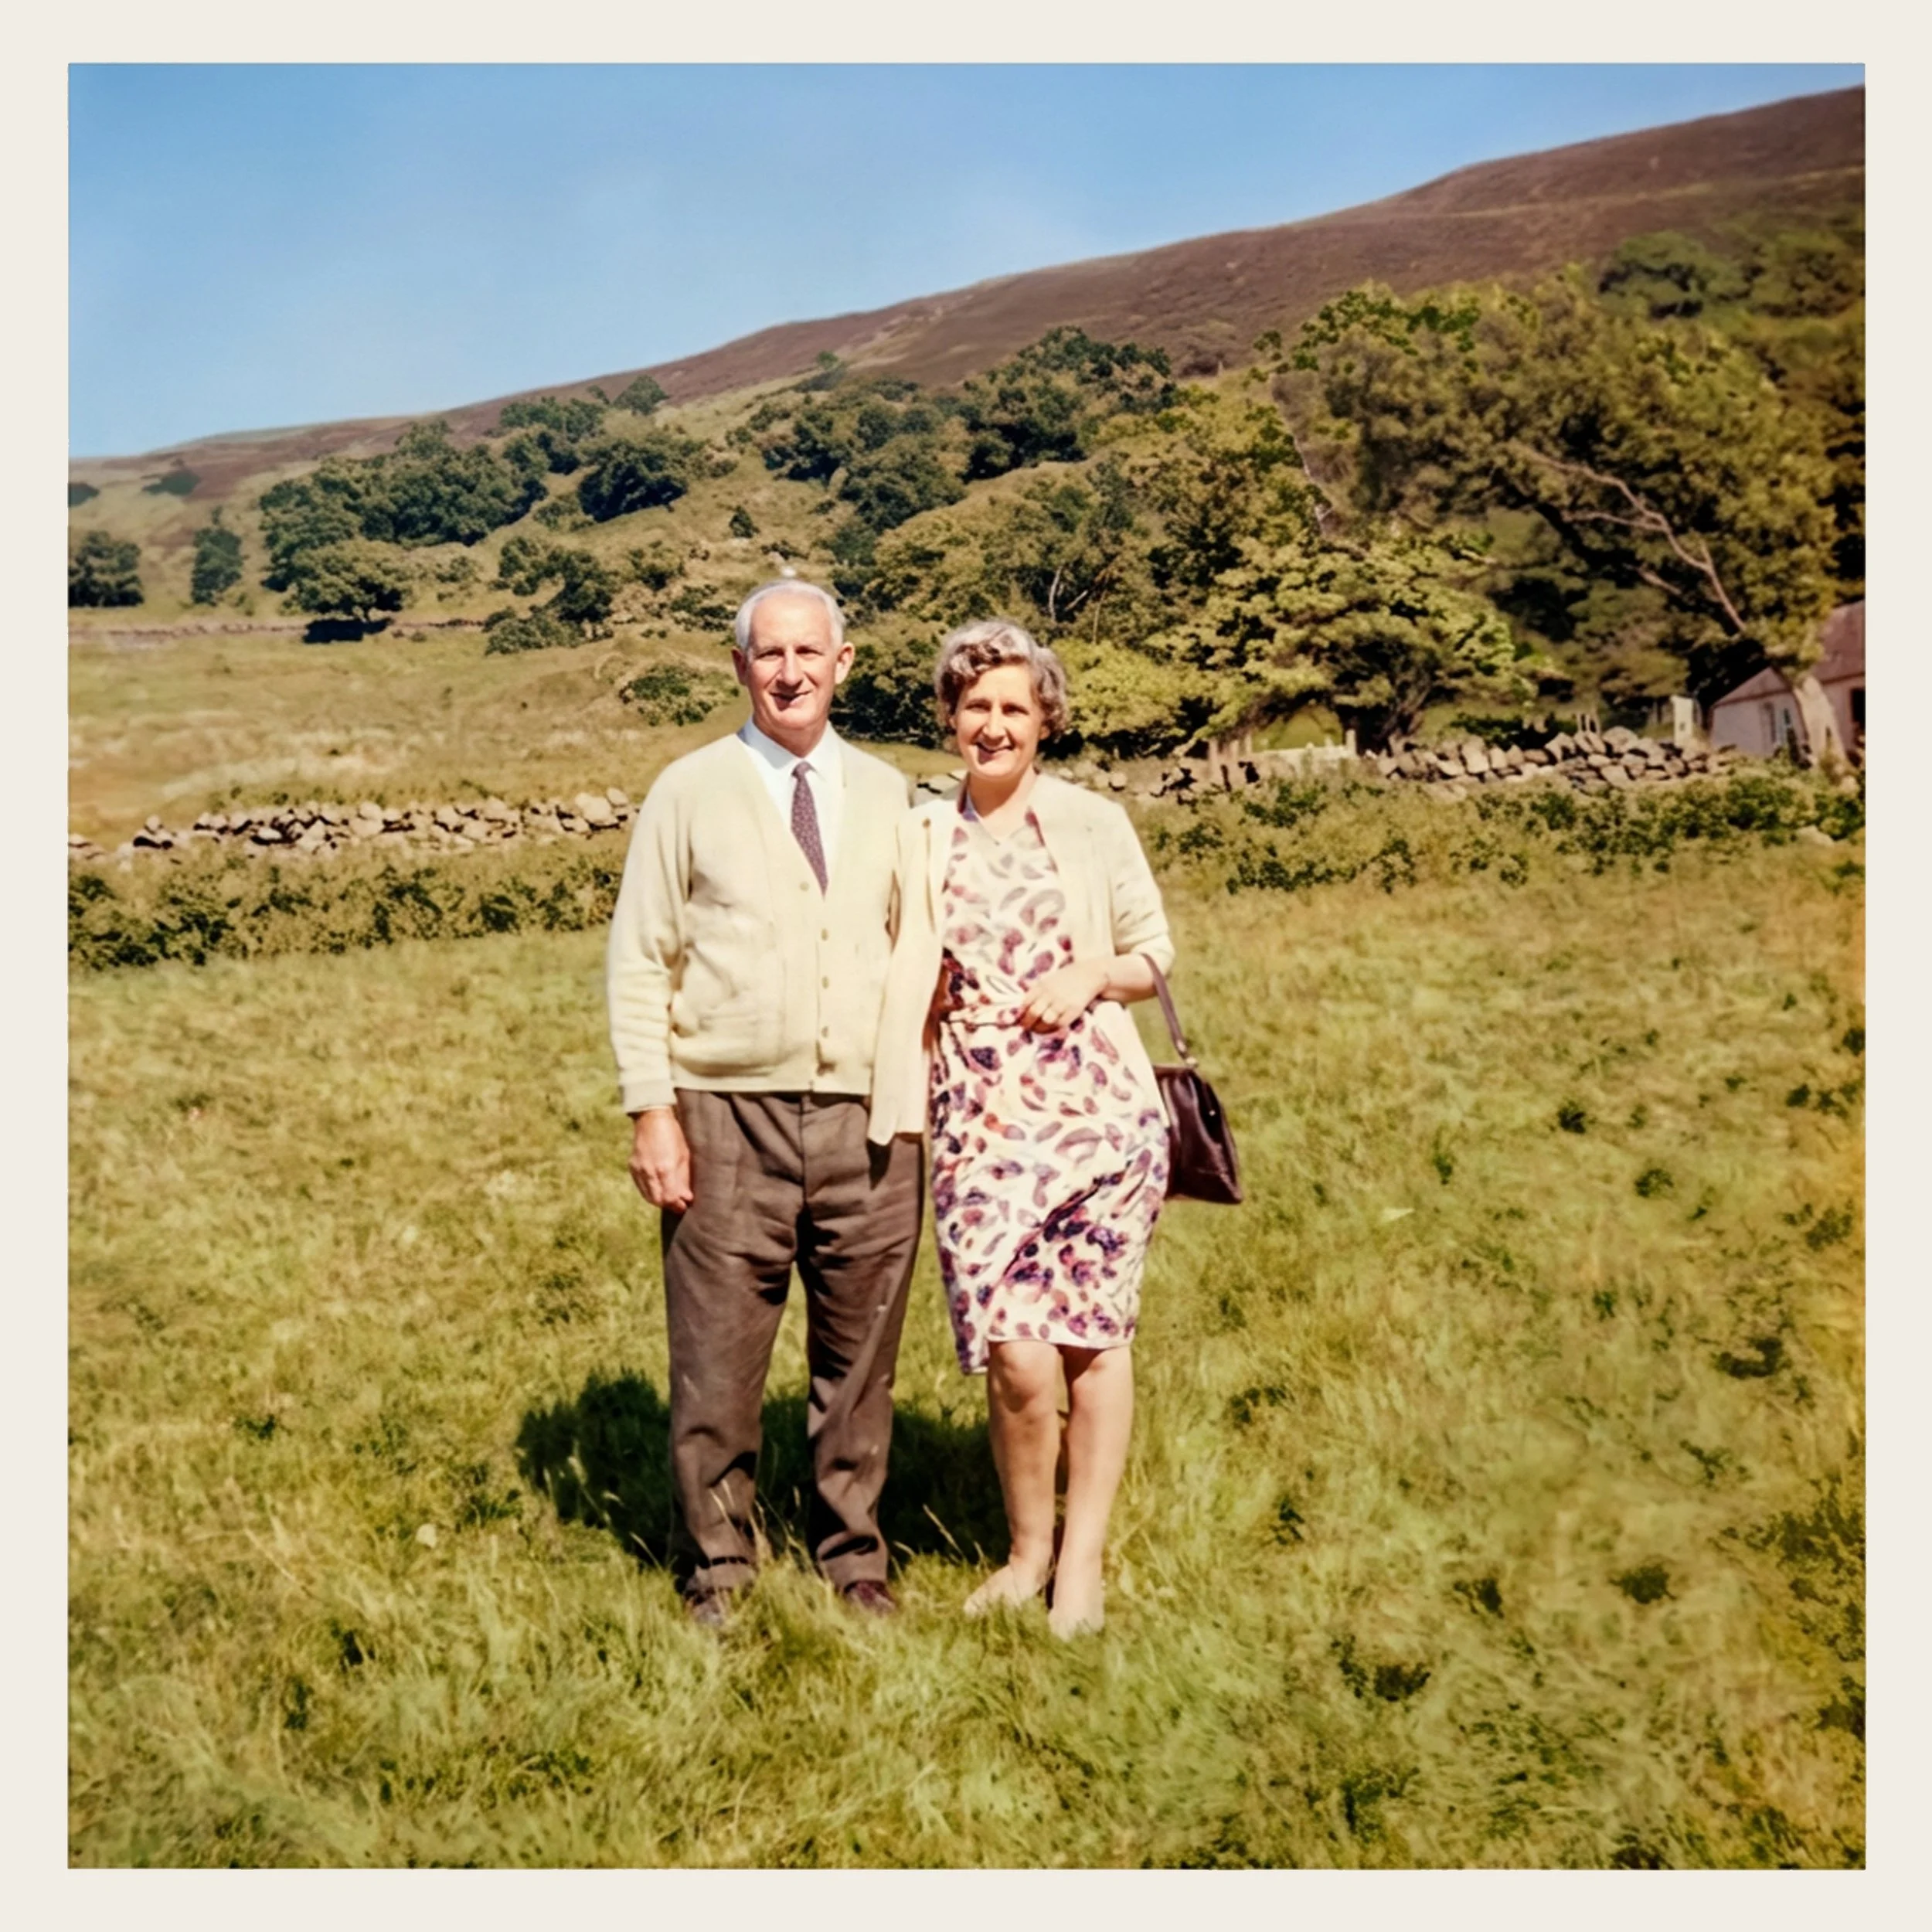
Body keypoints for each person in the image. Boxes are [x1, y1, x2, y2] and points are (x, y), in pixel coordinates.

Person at [607, 579, 922, 1628]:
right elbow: (639, 959)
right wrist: (653, 1109)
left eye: (810, 652)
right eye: (768, 654)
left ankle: (853, 1557)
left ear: (844, 663)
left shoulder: (893, 798)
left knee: (859, 1359)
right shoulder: (686, 791)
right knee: (716, 1360)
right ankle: (720, 1571)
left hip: (870, 1121)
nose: (790, 672)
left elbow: (927, 953)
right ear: (740, 668)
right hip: (724, 1115)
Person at [869, 618, 1174, 1637]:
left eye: (1013, 707)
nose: (992, 725)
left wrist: (1095, 970)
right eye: (975, 707)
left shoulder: (1090, 822)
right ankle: (1025, 1548)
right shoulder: (919, 830)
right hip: (979, 1117)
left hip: (1099, 1112)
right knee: (1017, 1354)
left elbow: (1155, 953)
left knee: (1093, 1341)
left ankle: (1079, 1561)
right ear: (950, 718)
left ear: (1046, 720)